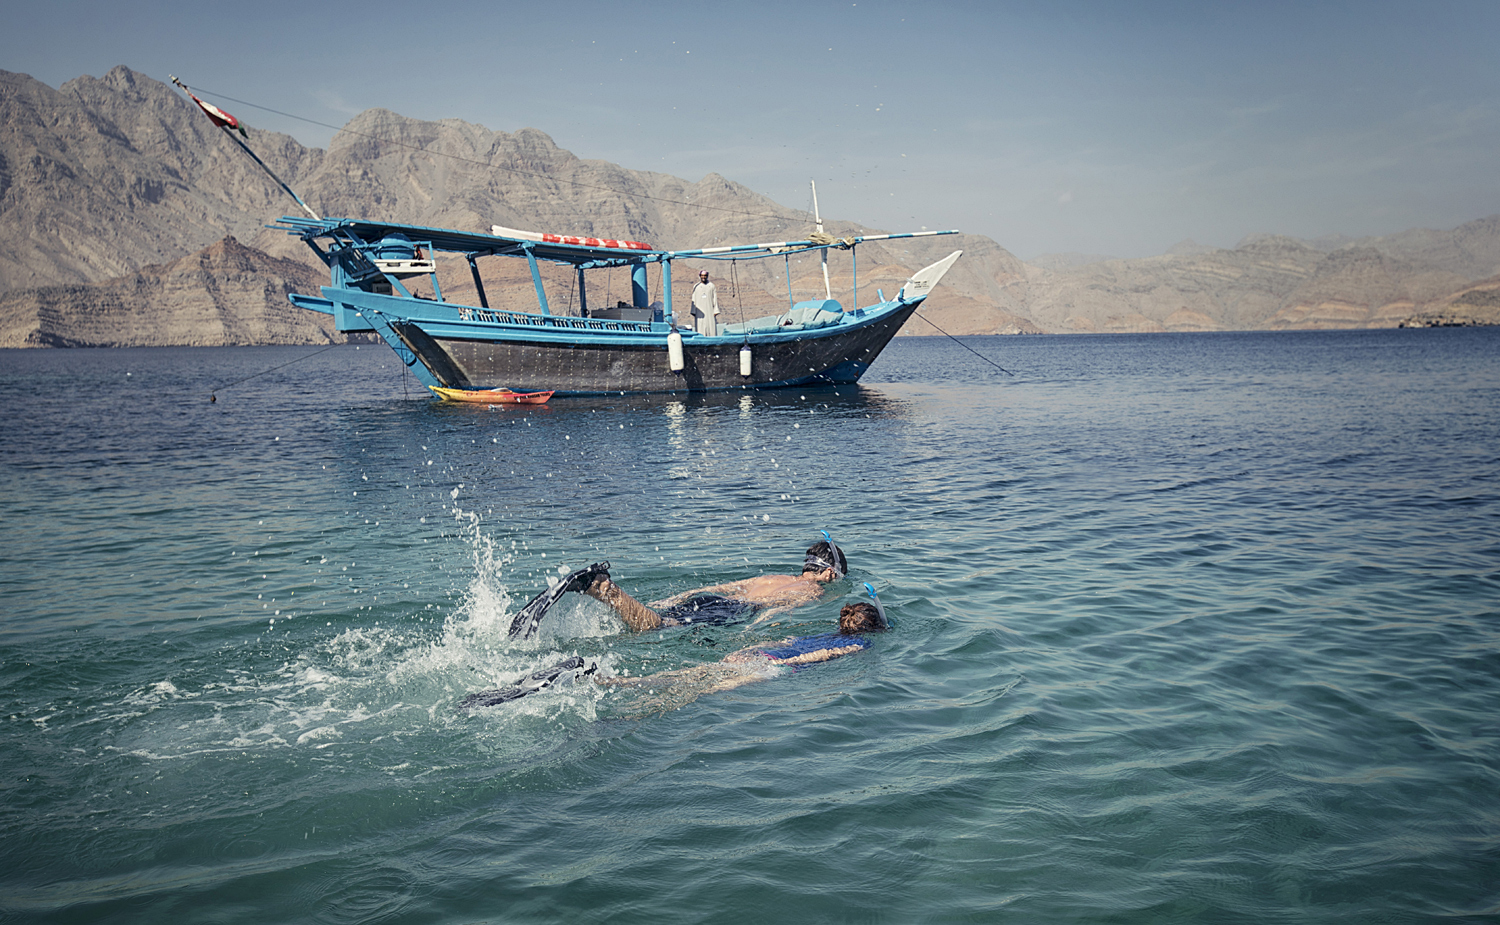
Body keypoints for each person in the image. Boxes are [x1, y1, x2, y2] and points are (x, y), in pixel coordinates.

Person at [459, 602, 887, 713]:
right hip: (769, 665)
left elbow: (796, 637)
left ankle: (603, 680)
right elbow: (830, 653)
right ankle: (612, 698)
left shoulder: (822, 628)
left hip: (757, 651)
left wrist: (763, 655)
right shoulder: (856, 644)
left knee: (687, 676)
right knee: (688, 694)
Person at [583, 536, 848, 632]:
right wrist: (752, 630)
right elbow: (776, 610)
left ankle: (606, 592)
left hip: (714, 601)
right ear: (829, 574)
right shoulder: (811, 591)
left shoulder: (773, 577)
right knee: (659, 626)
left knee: (660, 617)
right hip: (735, 611)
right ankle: (607, 590)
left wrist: (676, 597)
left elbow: (725, 587)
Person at [690, 269, 720, 336]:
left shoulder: (711, 286)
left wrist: (715, 311)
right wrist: (693, 311)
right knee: (700, 328)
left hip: (710, 311)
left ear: (707, 276)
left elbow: (714, 298)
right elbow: (693, 299)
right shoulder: (696, 286)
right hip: (699, 312)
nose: (703, 277)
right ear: (700, 276)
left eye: (705, 275)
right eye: (702, 275)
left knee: (711, 328)